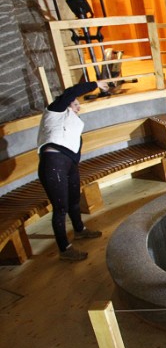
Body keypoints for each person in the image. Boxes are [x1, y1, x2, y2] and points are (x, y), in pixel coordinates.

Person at [37, 81, 108, 262]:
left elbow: (74, 151)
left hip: (68, 165)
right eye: (76, 104)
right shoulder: (55, 111)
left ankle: (79, 230)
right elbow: (71, 92)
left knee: (75, 200)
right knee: (60, 208)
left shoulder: (72, 122)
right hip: (53, 164)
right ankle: (64, 249)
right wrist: (95, 84)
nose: (79, 107)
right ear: (67, 103)